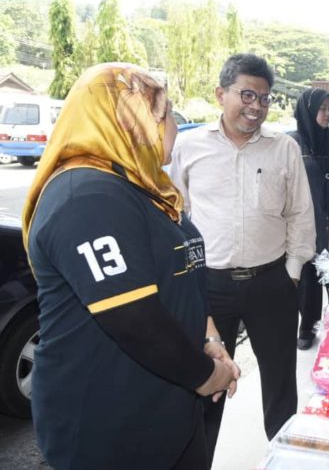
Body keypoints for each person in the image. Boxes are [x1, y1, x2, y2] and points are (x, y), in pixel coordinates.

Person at [22, 63, 239, 469]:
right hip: (110, 424)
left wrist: (208, 339)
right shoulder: (86, 196)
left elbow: (177, 278)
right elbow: (132, 315)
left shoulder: (141, 187)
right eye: (166, 113)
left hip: (167, 406)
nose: (174, 123)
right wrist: (207, 375)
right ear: (129, 119)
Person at [170, 53, 315, 465]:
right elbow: (174, 214)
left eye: (264, 99)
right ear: (221, 94)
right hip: (208, 288)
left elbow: (301, 215)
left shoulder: (283, 148)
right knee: (207, 384)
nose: (255, 106)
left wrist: (290, 275)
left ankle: (284, 459)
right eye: (246, 94)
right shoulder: (188, 146)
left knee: (281, 384)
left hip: (271, 282)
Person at [289, 88, 329, 350]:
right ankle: (308, 327)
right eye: (322, 109)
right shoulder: (292, 144)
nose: (327, 114)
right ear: (308, 110)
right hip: (306, 221)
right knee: (307, 284)